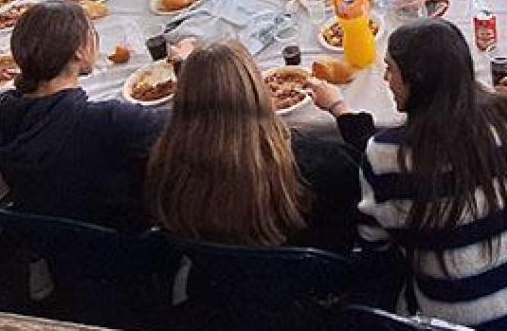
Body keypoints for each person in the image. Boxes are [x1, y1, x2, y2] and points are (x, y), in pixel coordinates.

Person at [318, 18, 507, 331]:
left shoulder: (383, 154)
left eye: (390, 70)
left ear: (415, 81)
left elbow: (375, 244)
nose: (387, 79)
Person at [148, 39, 359, 251]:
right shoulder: (317, 165)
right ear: (257, 91)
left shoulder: (163, 166)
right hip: (306, 276)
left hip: (216, 273)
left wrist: (194, 70)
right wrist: (341, 110)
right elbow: (367, 177)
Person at [0, 1, 165, 229]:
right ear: (79, 50)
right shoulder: (110, 121)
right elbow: (188, 127)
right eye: (93, 33)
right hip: (130, 244)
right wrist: (184, 66)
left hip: (55, 246)